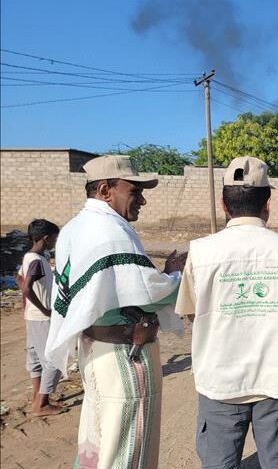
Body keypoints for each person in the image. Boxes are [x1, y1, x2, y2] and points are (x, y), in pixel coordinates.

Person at [175, 156, 278, 469]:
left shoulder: (200, 251)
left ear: (223, 204)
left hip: (220, 383)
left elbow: (191, 314)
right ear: (267, 203)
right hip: (276, 379)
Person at [45, 155, 186, 469]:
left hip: (97, 350)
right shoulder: (110, 231)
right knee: (127, 450)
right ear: (106, 190)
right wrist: (174, 275)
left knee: (98, 440)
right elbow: (147, 294)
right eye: (134, 191)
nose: (142, 200)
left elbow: (116, 288)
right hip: (125, 355)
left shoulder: (74, 227)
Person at [20, 219, 64, 416]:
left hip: (32, 316)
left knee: (36, 358)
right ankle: (41, 404)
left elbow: (19, 280)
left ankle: (37, 397)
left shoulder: (29, 257)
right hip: (41, 317)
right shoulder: (37, 261)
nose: (56, 241)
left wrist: (26, 306)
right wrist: (45, 310)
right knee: (53, 358)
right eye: (55, 238)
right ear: (46, 238)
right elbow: (27, 287)